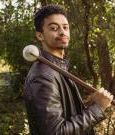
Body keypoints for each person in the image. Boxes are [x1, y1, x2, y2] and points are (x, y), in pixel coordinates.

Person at [24, 4, 113, 135]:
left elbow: (66, 116)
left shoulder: (57, 67)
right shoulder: (43, 77)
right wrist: (97, 109)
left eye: (65, 27)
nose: (62, 32)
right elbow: (56, 132)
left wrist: (91, 105)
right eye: (54, 28)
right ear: (40, 35)